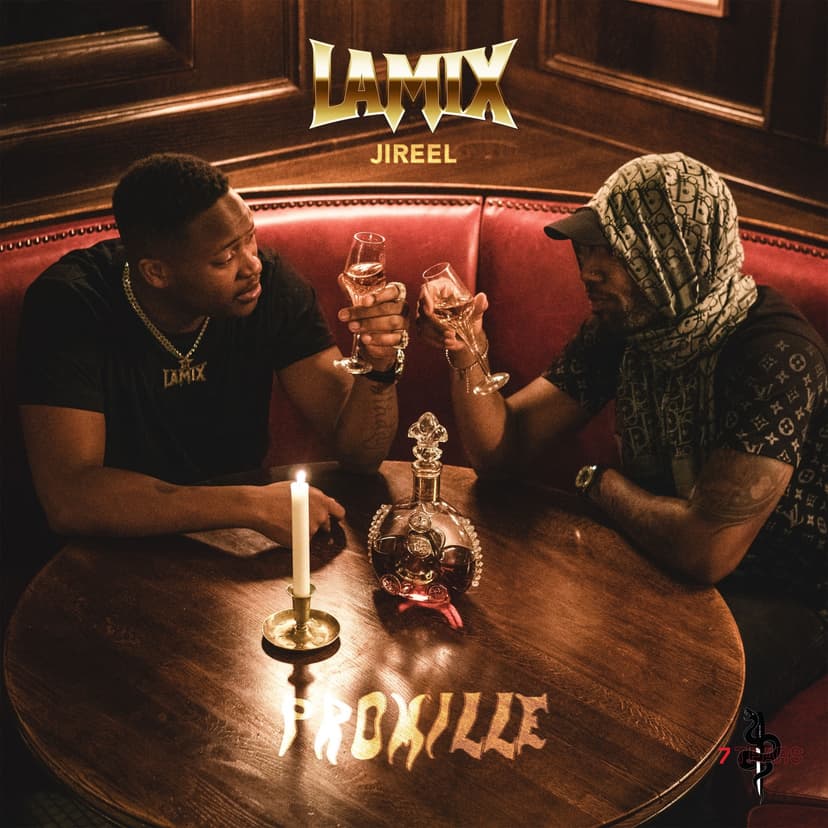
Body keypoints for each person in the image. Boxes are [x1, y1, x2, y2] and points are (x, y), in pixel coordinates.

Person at [418, 152, 827, 715]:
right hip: (656, 560)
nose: (588, 269)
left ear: (673, 253)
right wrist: (467, 350)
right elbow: (501, 448)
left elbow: (706, 550)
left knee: (655, 696)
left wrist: (599, 483)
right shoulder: (629, 327)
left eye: (612, 250)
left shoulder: (775, 354)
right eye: (586, 249)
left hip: (783, 595)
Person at [17, 152, 410, 548]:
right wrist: (249, 505)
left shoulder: (269, 285)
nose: (252, 265)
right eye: (225, 258)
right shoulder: (71, 304)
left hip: (237, 542)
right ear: (157, 272)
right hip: (105, 551)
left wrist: (377, 367)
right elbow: (70, 498)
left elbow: (360, 455)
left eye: (249, 237)